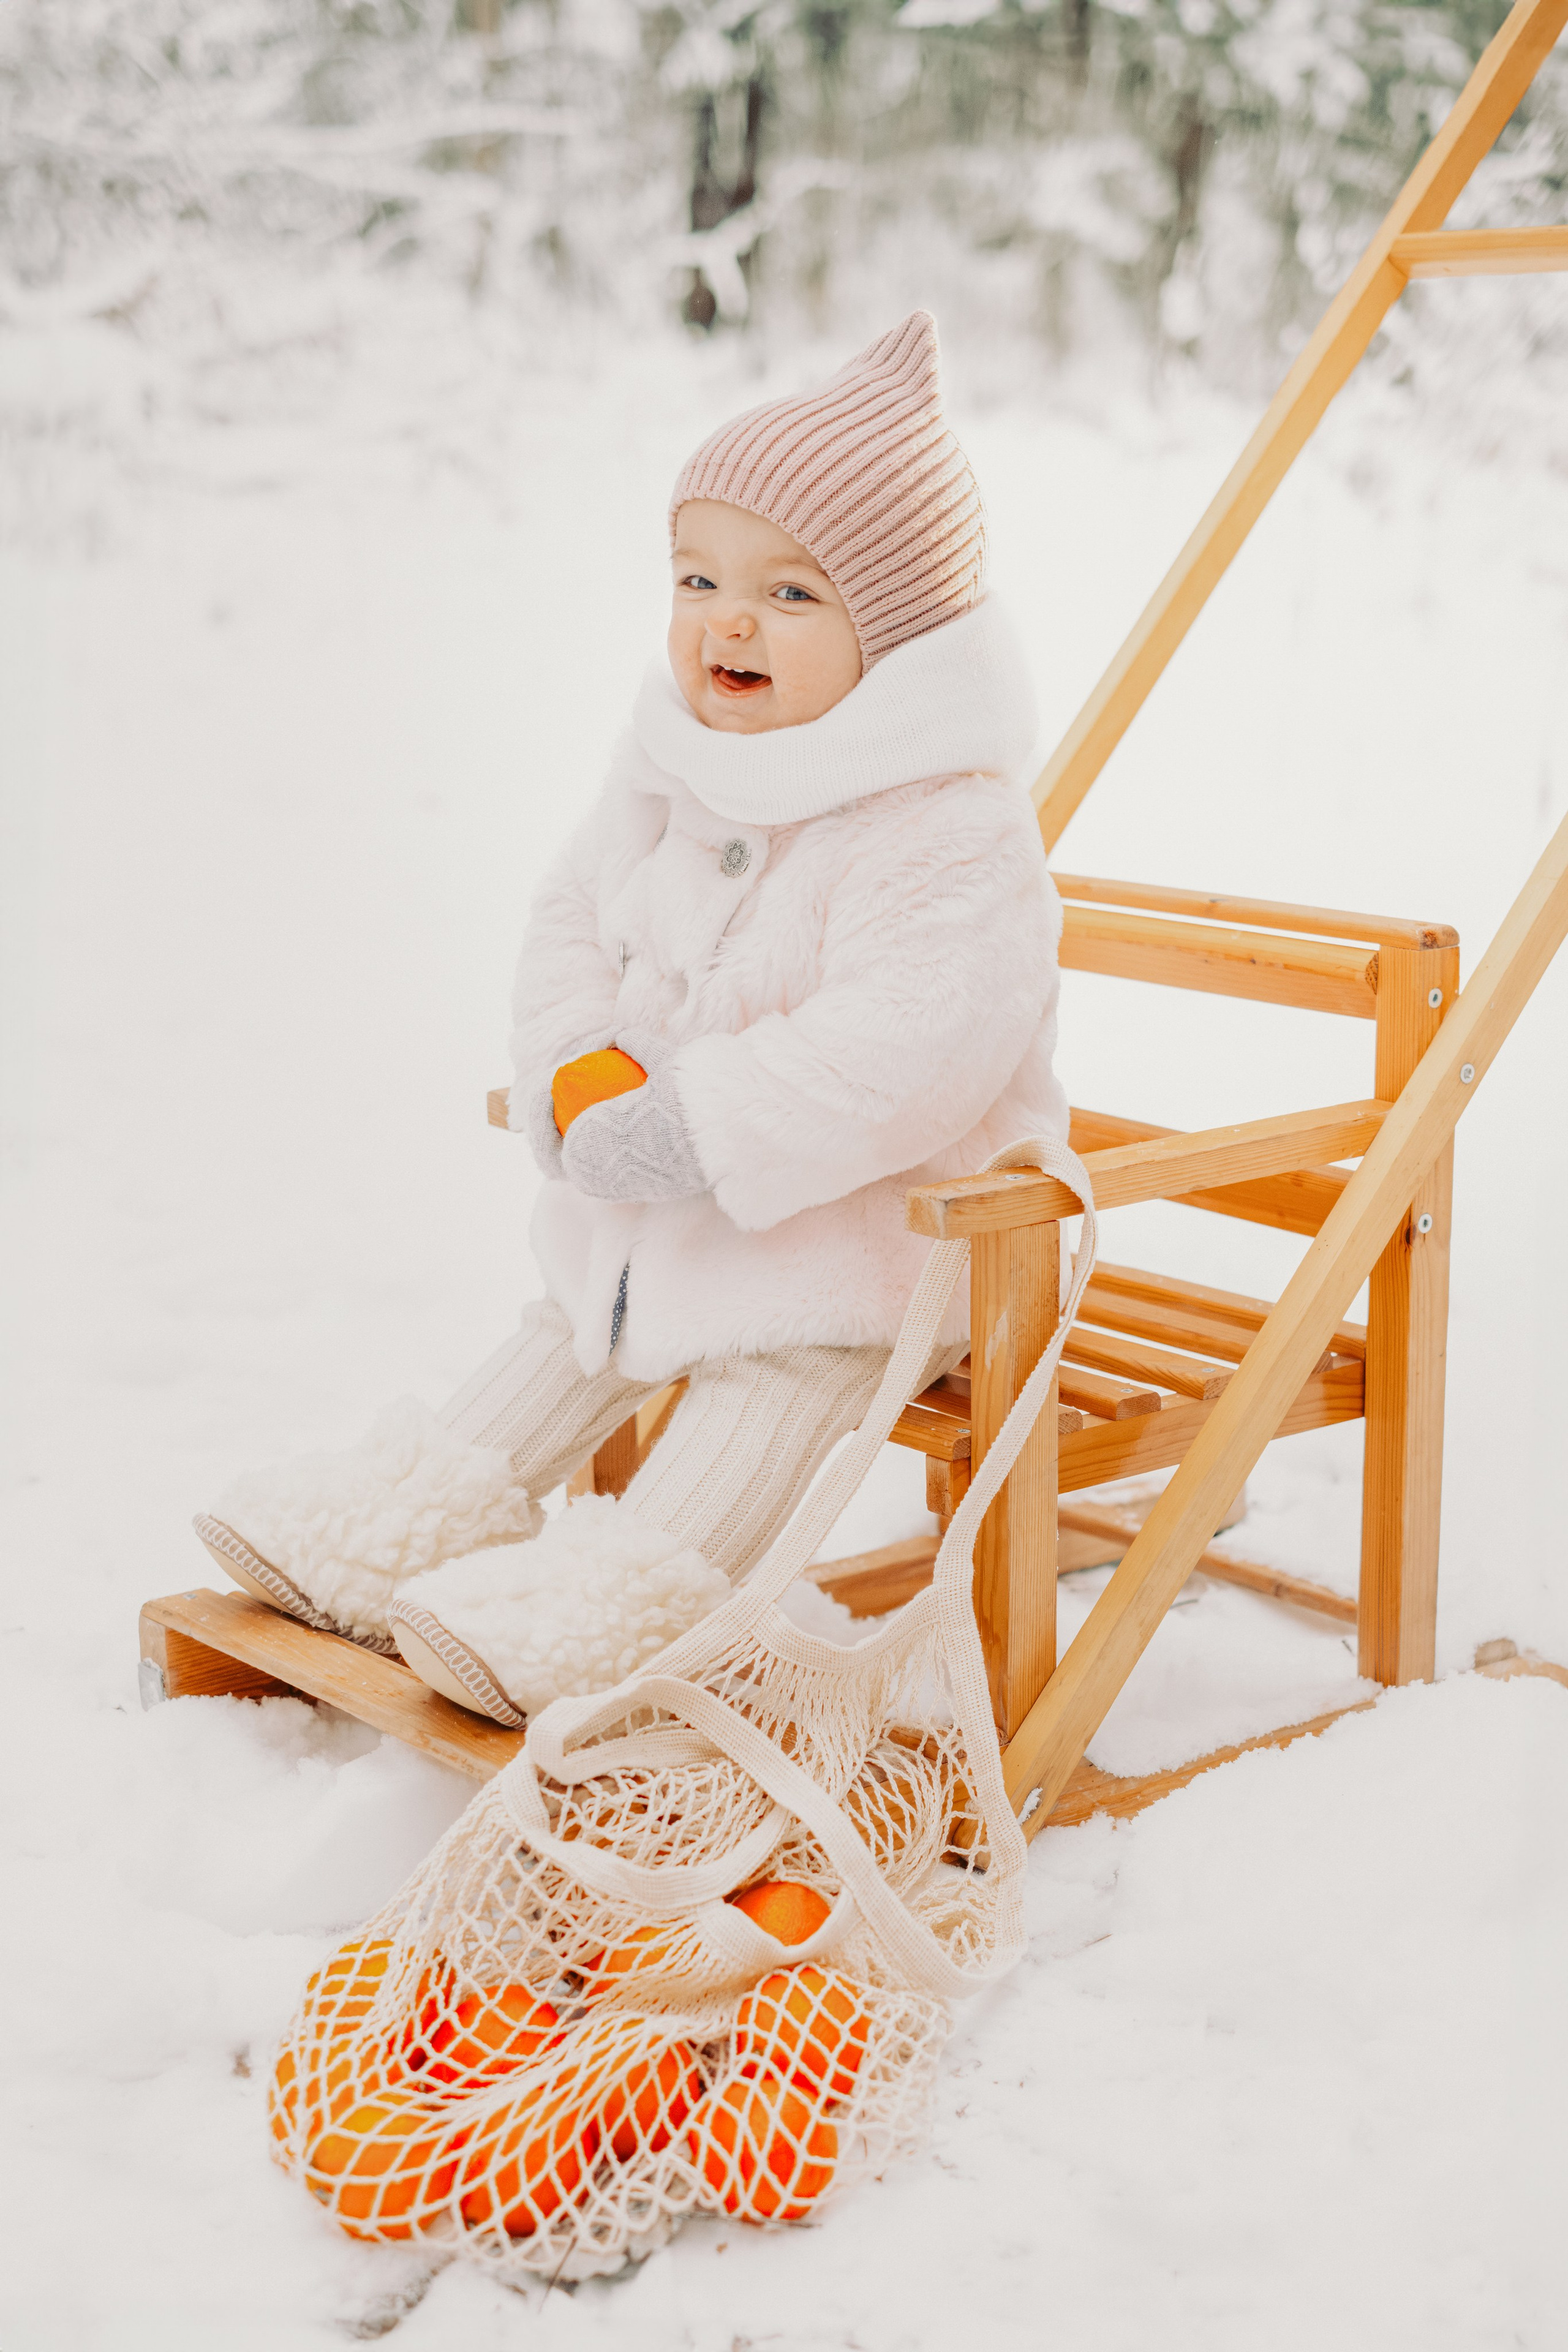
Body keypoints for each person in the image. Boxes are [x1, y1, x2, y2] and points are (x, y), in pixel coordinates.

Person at [194, 310, 1069, 1726]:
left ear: (896, 636)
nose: (728, 620)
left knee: (761, 1378)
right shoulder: (676, 758)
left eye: (793, 597)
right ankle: (393, 1525)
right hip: (651, 1213)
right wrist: (568, 1063)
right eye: (699, 576)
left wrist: (693, 1124)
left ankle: (620, 1604)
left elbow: (906, 1053)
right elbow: (570, 914)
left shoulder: (948, 830)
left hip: (866, 1251)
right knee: (570, 1335)